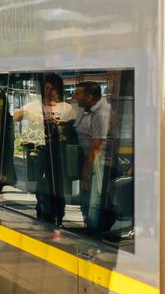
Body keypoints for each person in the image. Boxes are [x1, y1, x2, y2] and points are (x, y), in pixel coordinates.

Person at [14, 73, 75, 226]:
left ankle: (58, 213)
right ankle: (43, 210)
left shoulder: (66, 108)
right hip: (40, 150)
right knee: (41, 183)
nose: (49, 92)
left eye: (52, 89)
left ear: (58, 90)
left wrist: (59, 124)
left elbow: (72, 131)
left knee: (58, 183)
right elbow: (15, 116)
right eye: (46, 88)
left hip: (58, 151)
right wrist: (33, 115)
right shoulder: (35, 105)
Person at [72, 81, 110, 230]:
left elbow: (97, 147)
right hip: (85, 157)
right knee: (85, 196)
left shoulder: (101, 114)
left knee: (95, 197)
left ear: (89, 97)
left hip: (97, 161)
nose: (74, 97)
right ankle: (87, 224)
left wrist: (86, 171)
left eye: (78, 94)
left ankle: (94, 230)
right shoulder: (84, 108)